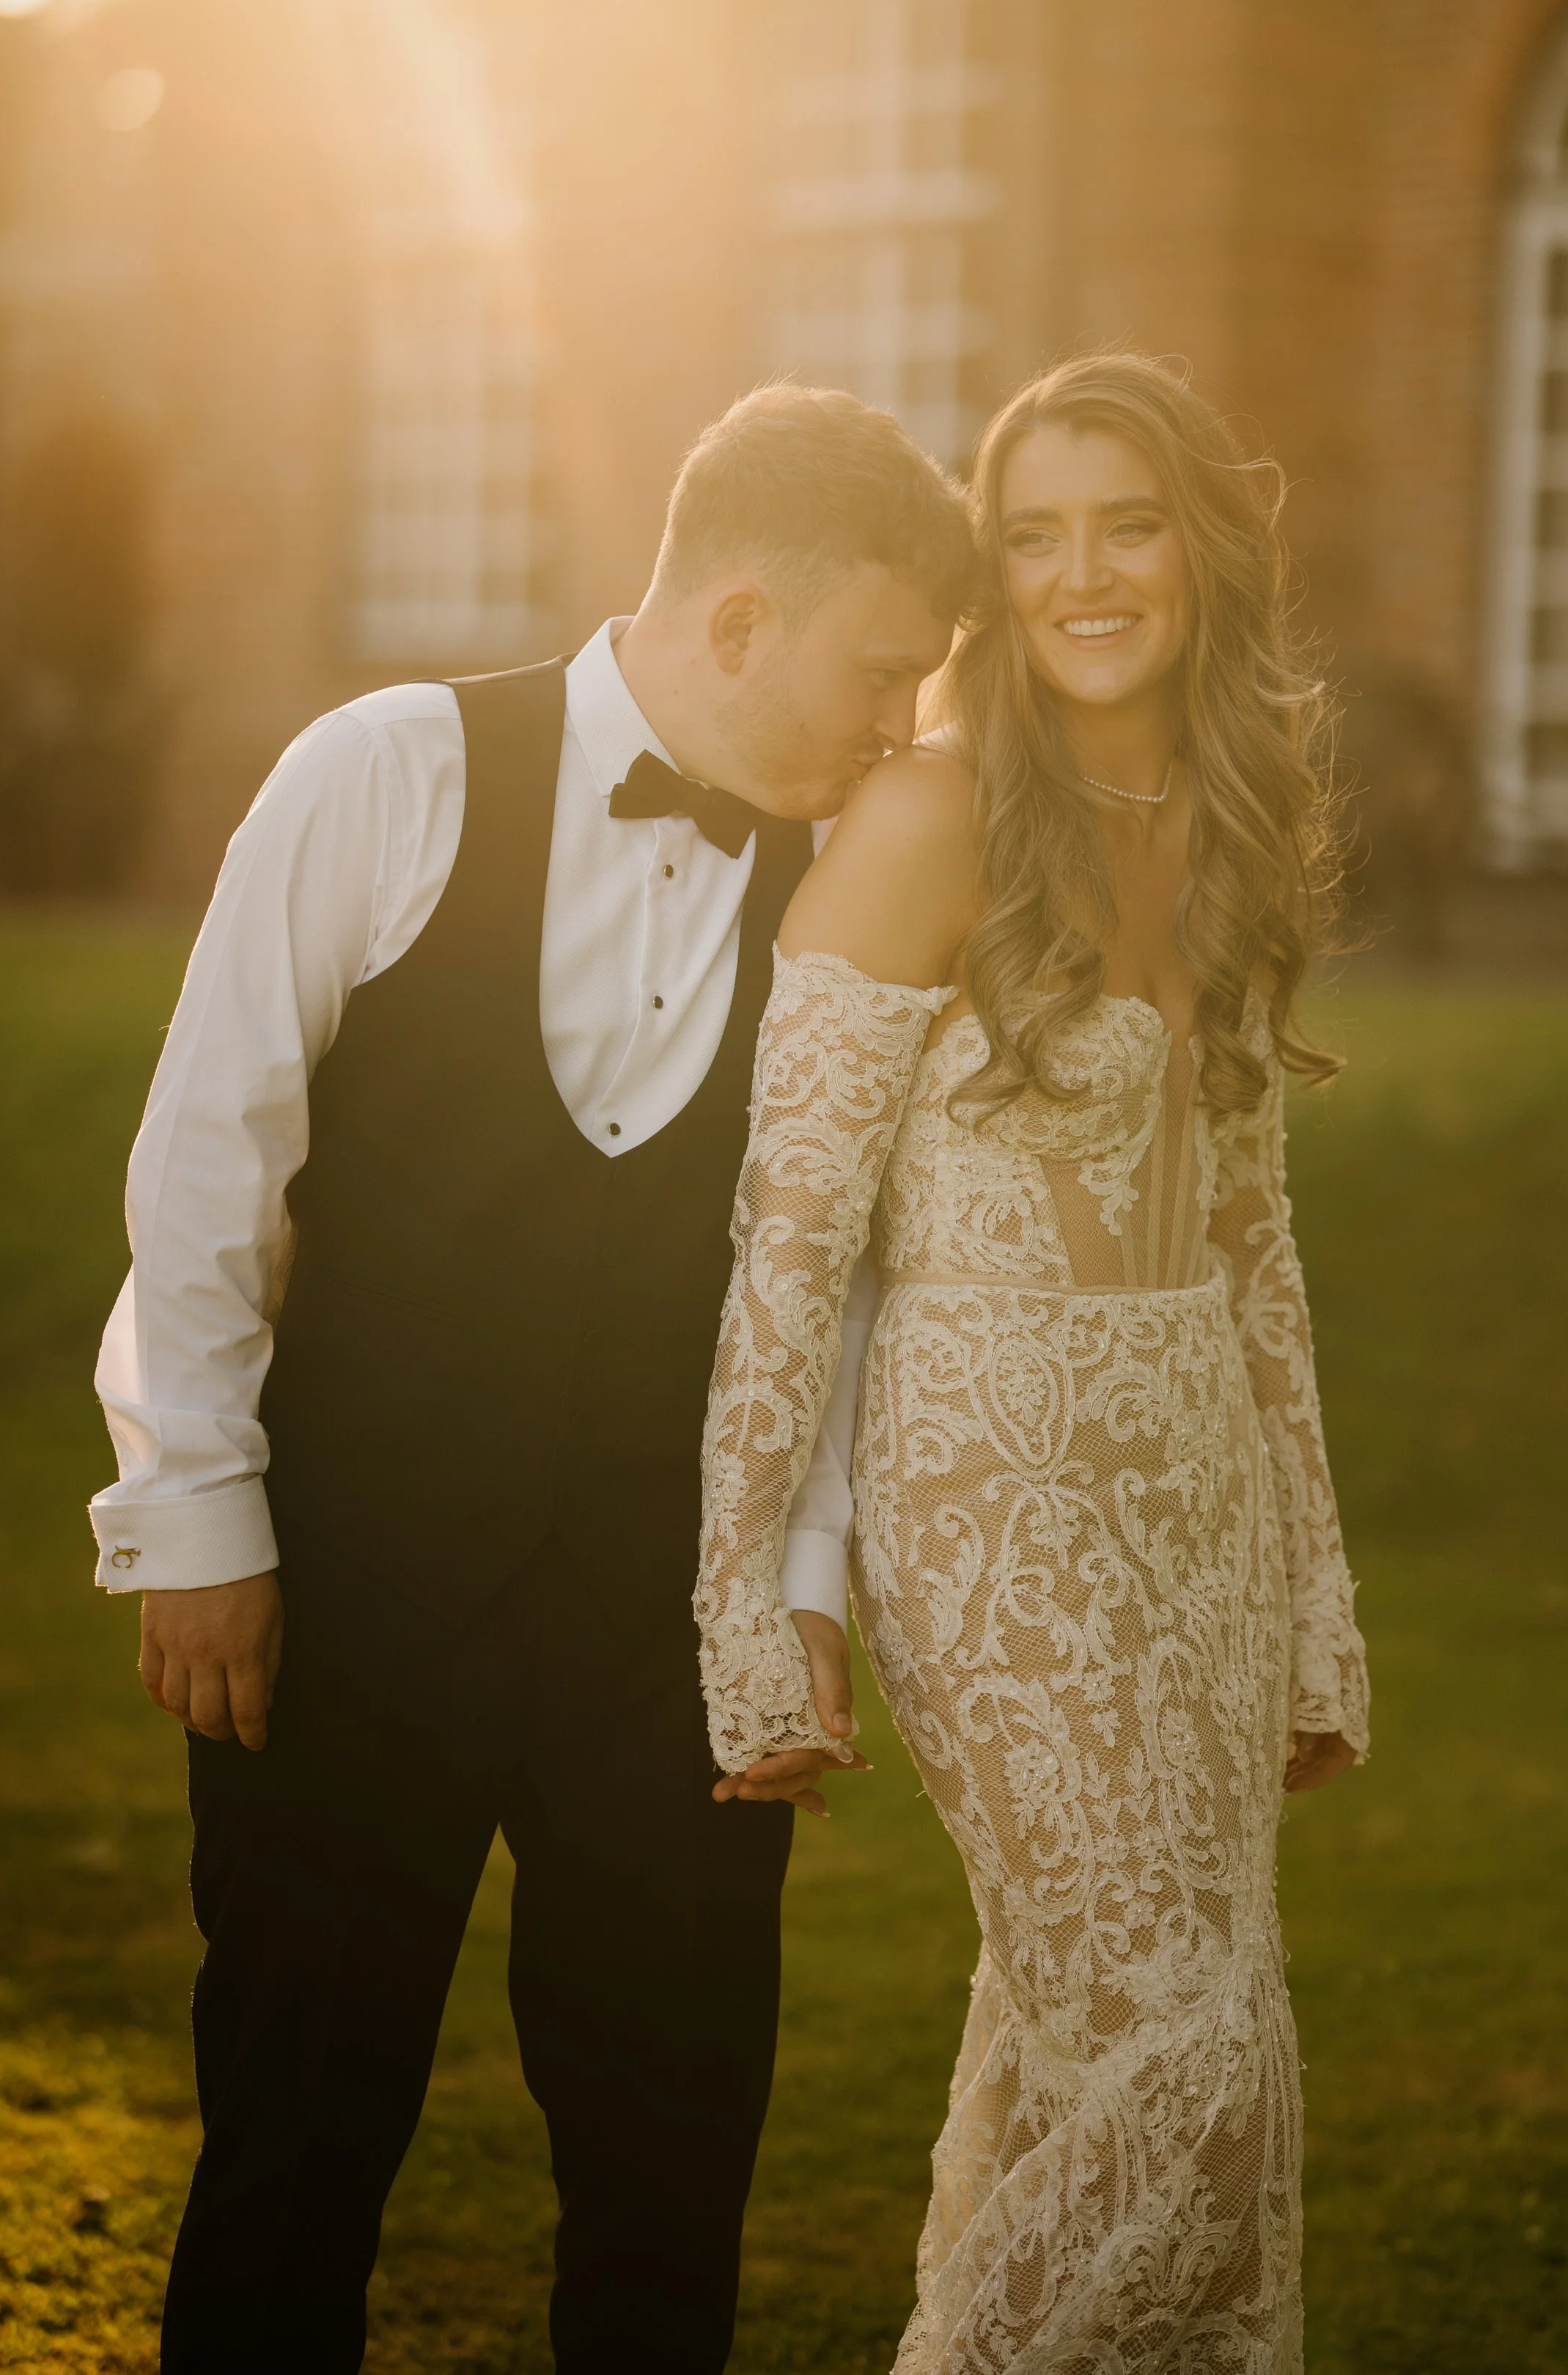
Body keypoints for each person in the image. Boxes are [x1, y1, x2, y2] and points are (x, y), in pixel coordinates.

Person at [87, 383, 973, 2375]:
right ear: (737, 621)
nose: (904, 730)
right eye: (881, 673)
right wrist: (195, 1514)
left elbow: (831, 1280)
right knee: (291, 2164)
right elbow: (207, 1155)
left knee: (669, 2186)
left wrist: (794, 1594)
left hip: (664, 1650)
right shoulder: (383, 771)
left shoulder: (855, 891)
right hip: (342, 1612)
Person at [695, 353, 1370, 2371]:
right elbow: (784, 1247)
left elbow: (1255, 1250)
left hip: (1203, 1498)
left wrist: (1317, 1592)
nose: (1085, 572)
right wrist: (751, 1605)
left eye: (1128, 520)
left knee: (1112, 2051)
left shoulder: (1230, 827)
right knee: (1188, 2058)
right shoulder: (922, 818)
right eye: (1034, 531)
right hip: (992, 1489)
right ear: (990, 575)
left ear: (1199, 550)